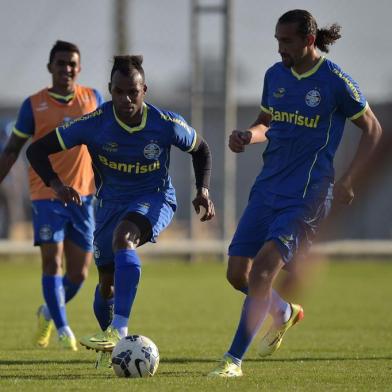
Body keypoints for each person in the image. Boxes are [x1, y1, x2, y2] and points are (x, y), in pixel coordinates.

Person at [208, 9, 382, 378]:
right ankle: (285, 312)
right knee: (237, 273)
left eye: (286, 42)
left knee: (261, 275)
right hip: (267, 188)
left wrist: (350, 178)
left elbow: (373, 129)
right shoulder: (275, 76)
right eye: (276, 41)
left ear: (307, 40)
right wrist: (247, 136)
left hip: (307, 196)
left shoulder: (335, 81)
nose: (279, 49)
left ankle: (232, 361)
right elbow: (266, 123)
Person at [26, 55, 215, 367]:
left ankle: (120, 329)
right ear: (110, 90)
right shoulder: (94, 124)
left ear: (144, 90)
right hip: (110, 205)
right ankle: (111, 345)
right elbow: (36, 150)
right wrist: (56, 185)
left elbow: (201, 148)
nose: (126, 99)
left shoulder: (165, 124)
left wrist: (203, 190)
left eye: (133, 92)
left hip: (154, 198)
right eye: (119, 91)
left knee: (124, 238)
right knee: (106, 285)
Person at [0, 40, 104, 351]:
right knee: (51, 263)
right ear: (51, 68)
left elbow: (102, 144)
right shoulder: (33, 105)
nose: (67, 69)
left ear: (79, 67)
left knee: (79, 273)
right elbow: (12, 150)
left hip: (83, 197)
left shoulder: (93, 99)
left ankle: (47, 312)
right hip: (46, 194)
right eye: (61, 64)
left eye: (72, 63)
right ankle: (63, 329)